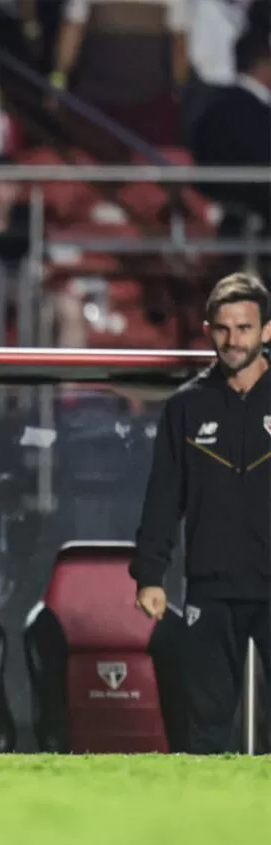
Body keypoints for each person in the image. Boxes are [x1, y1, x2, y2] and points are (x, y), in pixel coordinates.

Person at [131, 272, 271, 754]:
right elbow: (163, 497)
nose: (234, 341)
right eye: (223, 329)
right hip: (211, 590)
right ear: (209, 330)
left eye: (245, 328)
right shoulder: (186, 407)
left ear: (266, 330)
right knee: (206, 731)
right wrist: (149, 575)